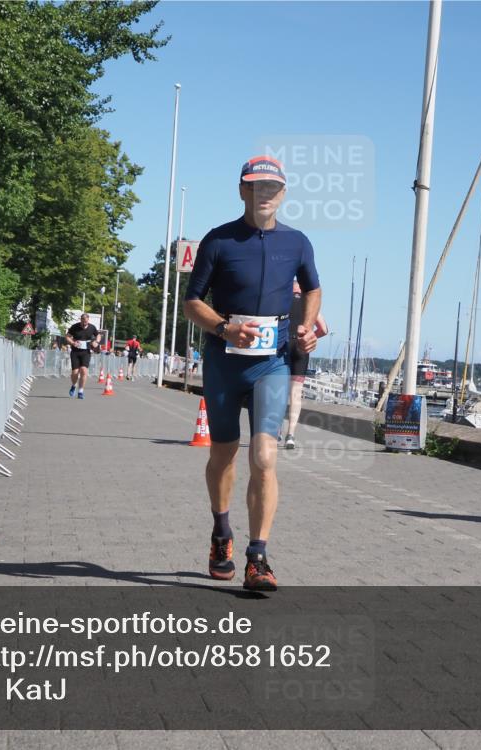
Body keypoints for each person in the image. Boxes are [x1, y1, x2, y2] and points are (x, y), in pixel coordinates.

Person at [183, 155, 321, 591]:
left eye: (273, 188)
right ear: (242, 190)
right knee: (222, 455)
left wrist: (306, 327)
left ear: (283, 194)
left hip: (272, 363)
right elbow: (192, 301)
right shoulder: (219, 240)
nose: (265, 194)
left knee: (264, 457)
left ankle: (257, 556)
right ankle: (221, 531)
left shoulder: (297, 242)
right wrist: (224, 327)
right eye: (256, 186)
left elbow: (313, 288)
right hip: (224, 363)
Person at [280, 280, 328, 449]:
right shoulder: (310, 305)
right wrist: (310, 337)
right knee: (296, 393)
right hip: (301, 348)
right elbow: (324, 329)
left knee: (278, 389)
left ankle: (277, 430)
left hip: (283, 345)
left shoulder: (282, 299)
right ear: (301, 288)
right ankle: (291, 435)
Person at [65, 313, 101, 399]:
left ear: (88, 320)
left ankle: (81, 391)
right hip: (75, 352)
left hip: (86, 352)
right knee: (75, 373)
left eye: (86, 321)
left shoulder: (92, 327)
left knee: (84, 370)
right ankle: (74, 385)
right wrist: (73, 342)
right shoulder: (75, 327)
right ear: (80, 320)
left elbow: (98, 335)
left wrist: (97, 342)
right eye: (83, 321)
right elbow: (67, 337)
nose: (84, 323)